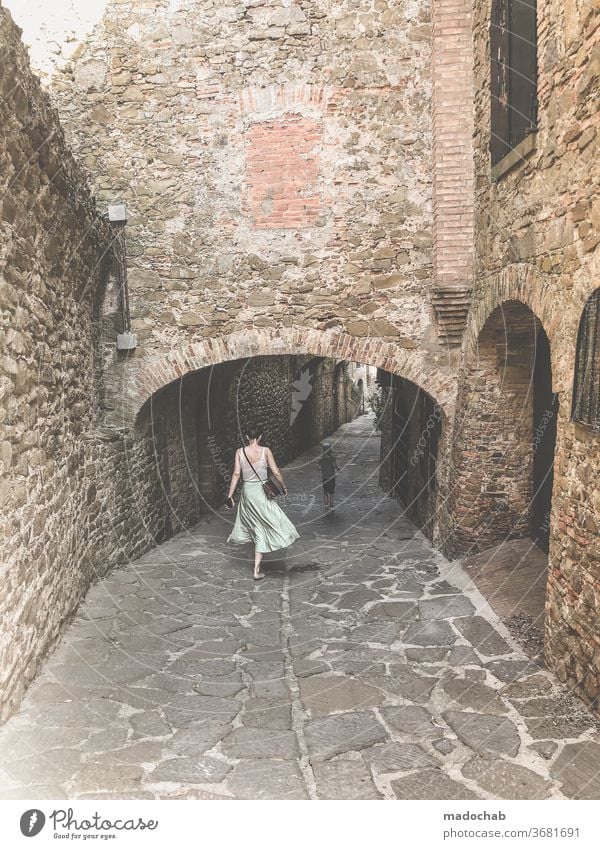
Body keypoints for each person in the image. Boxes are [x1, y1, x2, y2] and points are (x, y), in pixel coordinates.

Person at [225, 429, 299, 580]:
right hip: (261, 492)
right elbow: (276, 471)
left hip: (247, 493)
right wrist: (283, 487)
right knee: (272, 520)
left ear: (246, 437)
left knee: (257, 527)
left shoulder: (239, 452)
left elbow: (236, 474)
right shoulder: (266, 451)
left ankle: (257, 569)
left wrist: (230, 495)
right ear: (260, 437)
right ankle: (257, 569)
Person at [318, 442, 340, 511]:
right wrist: (338, 469)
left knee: (325, 492)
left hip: (325, 478)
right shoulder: (333, 458)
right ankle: (331, 505)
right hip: (331, 478)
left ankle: (326, 505)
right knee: (332, 492)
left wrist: (323, 469)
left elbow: (318, 468)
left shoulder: (321, 460)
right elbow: (335, 466)